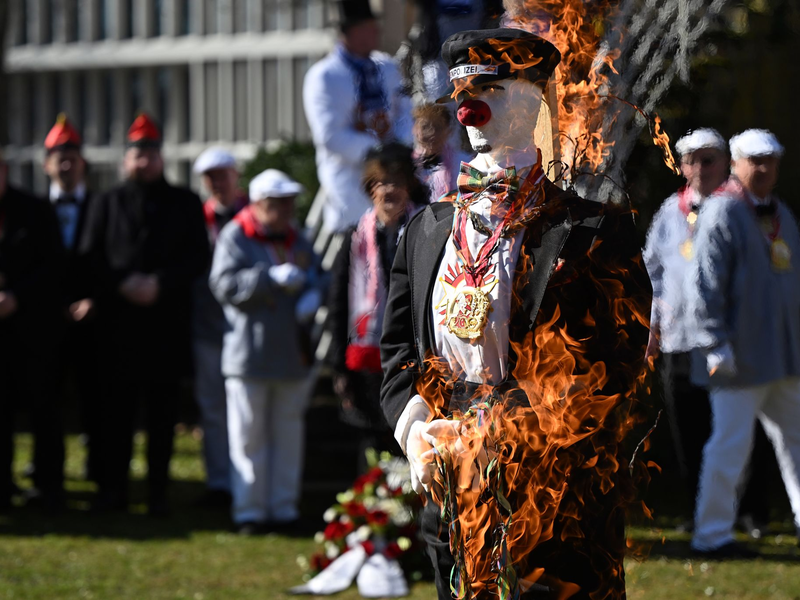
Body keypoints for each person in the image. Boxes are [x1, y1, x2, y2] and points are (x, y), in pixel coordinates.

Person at [380, 29, 651, 598]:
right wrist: (418, 432)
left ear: (532, 101)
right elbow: (400, 353)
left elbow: (610, 367)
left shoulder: (594, 230)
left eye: (491, 88)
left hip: (558, 495)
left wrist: (490, 432)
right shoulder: (426, 230)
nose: (469, 106)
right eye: (462, 91)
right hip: (452, 492)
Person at [79, 113, 210, 516]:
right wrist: (122, 283)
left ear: (161, 159)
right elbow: (89, 256)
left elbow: (197, 257)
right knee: (114, 416)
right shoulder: (105, 202)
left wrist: (160, 283)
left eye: (150, 154)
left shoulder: (185, 203)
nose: (143, 162)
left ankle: (157, 494)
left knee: (161, 417)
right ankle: (114, 491)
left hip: (164, 328)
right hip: (116, 329)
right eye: (137, 154)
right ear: (126, 160)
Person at [689, 129, 800, 558]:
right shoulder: (721, 211)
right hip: (738, 360)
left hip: (784, 358)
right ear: (734, 163)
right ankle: (711, 535)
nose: (764, 168)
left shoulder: (781, 213)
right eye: (755, 160)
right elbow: (704, 286)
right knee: (730, 446)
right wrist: (716, 345)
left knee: (796, 443)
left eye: (771, 160)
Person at [209, 169, 324, 535]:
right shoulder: (235, 236)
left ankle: (283, 507)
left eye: (289, 203)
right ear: (259, 205)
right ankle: (249, 511)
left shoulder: (297, 238)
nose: (287, 210)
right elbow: (223, 285)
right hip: (249, 357)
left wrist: (314, 293)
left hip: (291, 356)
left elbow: (318, 274)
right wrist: (266, 278)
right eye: (279, 204)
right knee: (248, 437)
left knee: (288, 435)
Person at [643, 128, 727, 525]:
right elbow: (652, 274)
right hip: (678, 339)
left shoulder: (738, 209)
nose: (700, 168)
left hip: (727, 340)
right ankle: (698, 508)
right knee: (687, 427)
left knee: (730, 426)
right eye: (692, 161)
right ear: (681, 166)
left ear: (724, 163)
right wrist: (652, 330)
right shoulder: (668, 211)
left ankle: (744, 510)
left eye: (709, 160)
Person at [327, 143, 426, 457]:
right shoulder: (355, 239)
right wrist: (339, 368)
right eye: (380, 183)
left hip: (415, 358)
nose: (388, 190)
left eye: (396, 181)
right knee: (374, 447)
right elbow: (337, 304)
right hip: (368, 362)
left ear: (409, 186)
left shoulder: (427, 232)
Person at [303, 0, 413, 234]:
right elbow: (330, 136)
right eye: (369, 27)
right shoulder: (324, 76)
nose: (376, 32)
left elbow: (405, 109)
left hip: (395, 186)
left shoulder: (387, 66)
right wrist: (380, 152)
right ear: (351, 31)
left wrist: (401, 146)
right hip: (351, 187)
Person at [0, 151, 66, 511]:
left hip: (32, 329)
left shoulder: (35, 210)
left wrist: (16, 296)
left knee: (43, 409)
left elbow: (53, 265)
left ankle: (49, 485)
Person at [41, 114, 102, 490]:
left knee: (95, 400)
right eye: (59, 157)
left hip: (93, 320)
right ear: (46, 165)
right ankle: (48, 476)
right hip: (45, 322)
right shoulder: (32, 209)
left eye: (73, 157)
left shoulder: (102, 206)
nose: (66, 164)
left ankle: (99, 474)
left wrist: (93, 299)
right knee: (45, 403)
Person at [191, 147, 248, 508]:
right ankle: (219, 483)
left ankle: (248, 484)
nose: (218, 183)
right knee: (212, 407)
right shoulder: (197, 219)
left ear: (235, 175)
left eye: (223, 174)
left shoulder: (253, 215)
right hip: (208, 326)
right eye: (210, 177)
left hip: (247, 330)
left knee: (247, 409)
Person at [412, 103, 472, 202]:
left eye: (437, 127)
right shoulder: (407, 164)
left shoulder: (465, 162)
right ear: (414, 128)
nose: (431, 133)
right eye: (425, 127)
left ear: (448, 130)